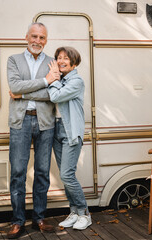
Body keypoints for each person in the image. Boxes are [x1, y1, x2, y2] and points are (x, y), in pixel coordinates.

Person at [6, 22, 60, 239]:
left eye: (42, 38)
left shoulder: (53, 63)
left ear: (46, 40)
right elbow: (14, 87)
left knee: (42, 173)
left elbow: (53, 95)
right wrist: (45, 81)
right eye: (34, 36)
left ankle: (39, 218)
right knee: (17, 173)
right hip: (20, 123)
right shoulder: (13, 60)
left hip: (45, 123)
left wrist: (24, 94)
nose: (38, 41)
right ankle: (18, 221)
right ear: (26, 37)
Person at [47, 46, 91, 230]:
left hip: (71, 131)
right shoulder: (62, 79)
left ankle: (84, 214)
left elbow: (55, 97)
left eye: (65, 58)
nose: (61, 61)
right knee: (66, 176)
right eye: (59, 58)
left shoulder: (76, 81)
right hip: (57, 130)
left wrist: (53, 78)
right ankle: (74, 212)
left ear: (73, 63)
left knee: (66, 174)